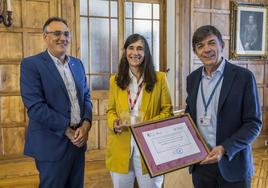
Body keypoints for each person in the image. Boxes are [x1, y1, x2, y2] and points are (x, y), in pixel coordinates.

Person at [185, 25, 262, 188]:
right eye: (200, 46)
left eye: (211, 43)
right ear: (195, 52)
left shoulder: (243, 77)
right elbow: (188, 118)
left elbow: (253, 124)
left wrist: (224, 149)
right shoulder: (192, 79)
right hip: (201, 165)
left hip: (233, 165)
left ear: (222, 45)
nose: (206, 49)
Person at [20, 17, 92, 188]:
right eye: (57, 33)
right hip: (51, 143)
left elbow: (86, 97)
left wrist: (86, 125)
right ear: (45, 37)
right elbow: (36, 107)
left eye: (66, 34)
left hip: (78, 142)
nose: (63, 38)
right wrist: (66, 130)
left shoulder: (77, 64)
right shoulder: (31, 65)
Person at [106, 33, 173, 188]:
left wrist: (146, 125)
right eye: (131, 48)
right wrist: (114, 123)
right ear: (125, 52)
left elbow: (167, 112)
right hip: (121, 146)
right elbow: (110, 110)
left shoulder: (160, 78)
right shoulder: (115, 81)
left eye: (140, 49)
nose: (135, 53)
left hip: (151, 148)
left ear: (146, 53)